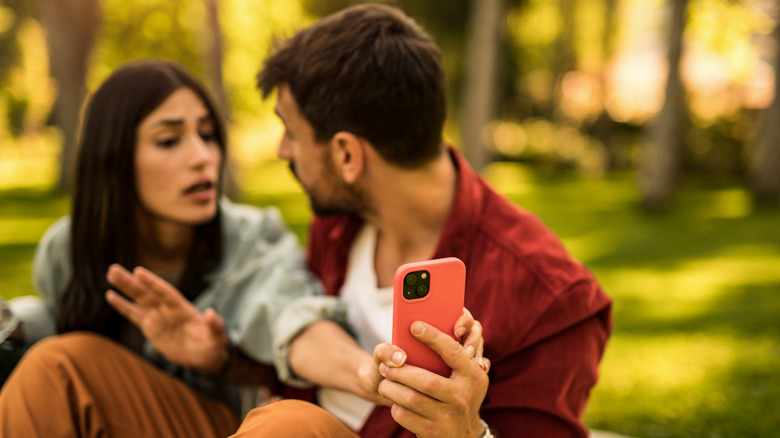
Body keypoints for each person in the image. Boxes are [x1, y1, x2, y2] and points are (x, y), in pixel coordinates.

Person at [256, 4, 613, 438]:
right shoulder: (336, 225)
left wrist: (468, 433)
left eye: (291, 132)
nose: (282, 150)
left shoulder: (549, 298)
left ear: (347, 154)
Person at [0, 58, 327, 436]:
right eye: (169, 141)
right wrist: (13, 323)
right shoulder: (68, 248)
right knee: (52, 366)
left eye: (207, 135)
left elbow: (295, 327)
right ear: (114, 157)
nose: (202, 157)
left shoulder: (253, 240)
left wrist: (222, 358)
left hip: (236, 427)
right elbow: (64, 321)